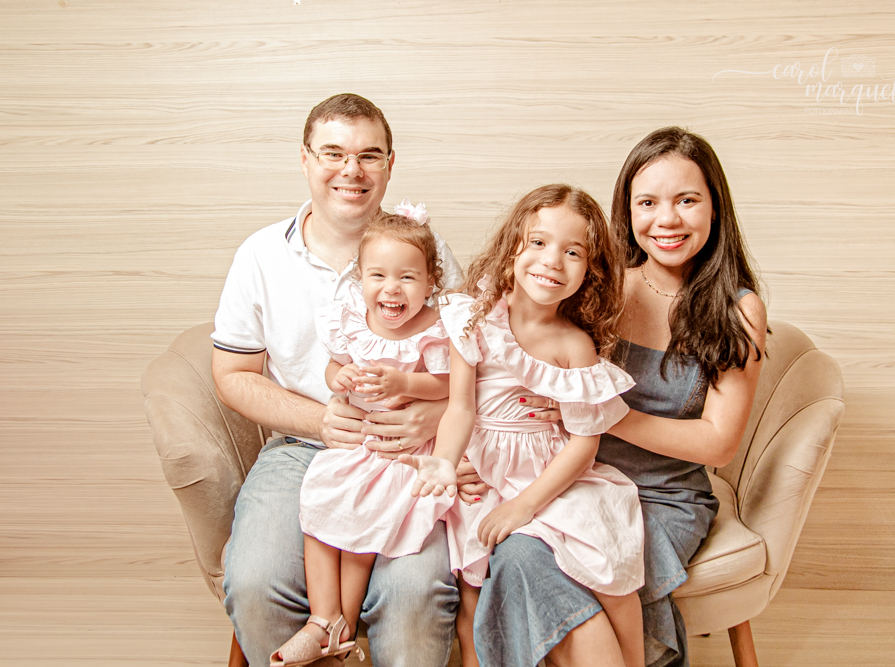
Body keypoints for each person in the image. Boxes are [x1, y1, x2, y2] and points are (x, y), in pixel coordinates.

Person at [475, 128, 768, 667]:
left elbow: (719, 443)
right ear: (626, 211)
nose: (667, 220)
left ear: (715, 206)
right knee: (516, 553)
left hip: (663, 498)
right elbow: (516, 369)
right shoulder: (603, 286)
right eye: (648, 203)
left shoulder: (737, 309)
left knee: (581, 568)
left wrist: (602, 416)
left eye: (687, 200)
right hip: (578, 479)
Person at [210, 93, 466, 667]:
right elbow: (231, 374)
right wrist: (318, 418)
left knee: (414, 594)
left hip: (407, 449)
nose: (352, 171)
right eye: (334, 153)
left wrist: (429, 413)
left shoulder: (428, 251)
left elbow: (468, 366)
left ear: (390, 165)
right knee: (253, 584)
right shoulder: (260, 256)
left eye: (369, 156)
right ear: (305, 159)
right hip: (302, 447)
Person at [403, 184, 647, 667]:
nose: (552, 260)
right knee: (473, 582)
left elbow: (583, 446)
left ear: (590, 270)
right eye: (538, 242)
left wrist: (522, 505)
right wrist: (446, 464)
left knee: (607, 562)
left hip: (550, 476)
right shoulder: (472, 319)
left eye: (572, 251)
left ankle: (635, 659)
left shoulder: (575, 345)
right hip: (485, 474)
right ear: (512, 244)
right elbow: (460, 408)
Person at [270, 211, 456, 667]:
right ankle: (322, 619)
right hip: (358, 442)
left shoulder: (437, 326)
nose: (391, 289)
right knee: (319, 506)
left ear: (431, 281)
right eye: (378, 275)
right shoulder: (352, 317)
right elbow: (334, 368)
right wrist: (343, 376)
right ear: (360, 277)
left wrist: (404, 385)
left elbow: (449, 385)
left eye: (407, 277)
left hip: (402, 450)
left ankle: (342, 628)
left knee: (362, 526)